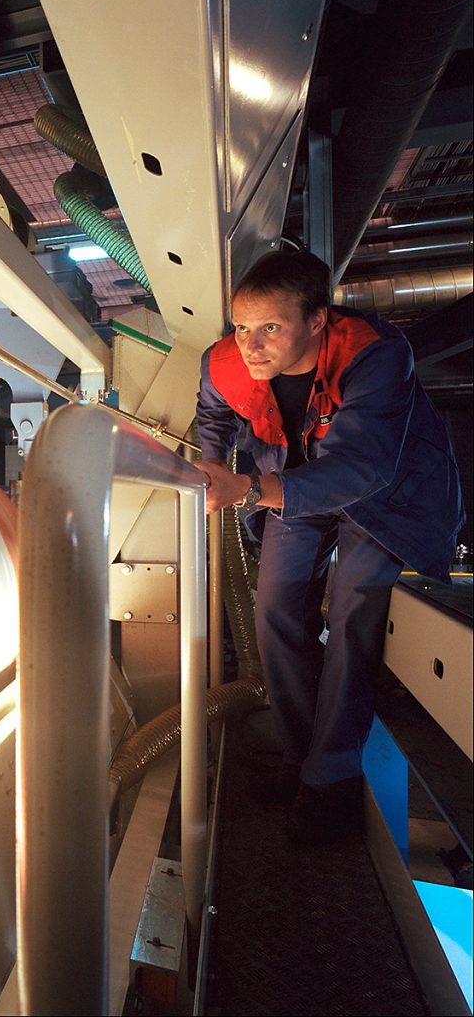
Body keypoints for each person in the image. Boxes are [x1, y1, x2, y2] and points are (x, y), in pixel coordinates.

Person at [194, 250, 464, 844]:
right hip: (291, 482)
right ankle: (299, 759)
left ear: (317, 320)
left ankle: (331, 778)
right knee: (275, 612)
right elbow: (212, 414)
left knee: (351, 616)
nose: (251, 345)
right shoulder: (224, 364)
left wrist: (251, 488)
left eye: (271, 327)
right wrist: (208, 461)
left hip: (382, 493)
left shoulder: (374, 352)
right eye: (242, 327)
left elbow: (363, 465)